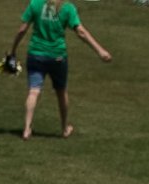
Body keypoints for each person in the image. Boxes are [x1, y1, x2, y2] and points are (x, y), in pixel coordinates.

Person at [7, 0, 111, 141]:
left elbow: (22, 29)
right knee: (61, 92)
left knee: (34, 91)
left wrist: (13, 50)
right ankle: (64, 128)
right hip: (57, 56)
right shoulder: (67, 7)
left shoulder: (35, 3)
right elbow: (80, 31)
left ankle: (26, 129)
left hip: (36, 54)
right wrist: (100, 50)